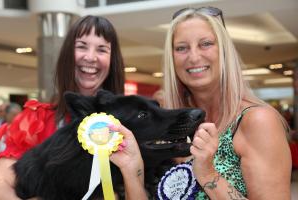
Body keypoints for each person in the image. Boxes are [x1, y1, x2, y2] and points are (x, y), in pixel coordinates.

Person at [117, 7, 292, 199]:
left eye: (206, 44)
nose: (193, 57)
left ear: (223, 51)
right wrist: (132, 169)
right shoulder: (170, 121)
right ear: (172, 58)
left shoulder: (257, 121)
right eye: (181, 48)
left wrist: (208, 173)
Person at [0, 15, 145, 200]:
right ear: (68, 54)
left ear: (112, 61)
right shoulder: (38, 120)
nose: (90, 57)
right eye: (82, 46)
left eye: (102, 49)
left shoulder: (129, 125)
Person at [0, 103, 22, 168]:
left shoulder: (24, 131)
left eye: (20, 115)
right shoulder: (0, 131)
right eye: (14, 115)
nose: (17, 118)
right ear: (6, 115)